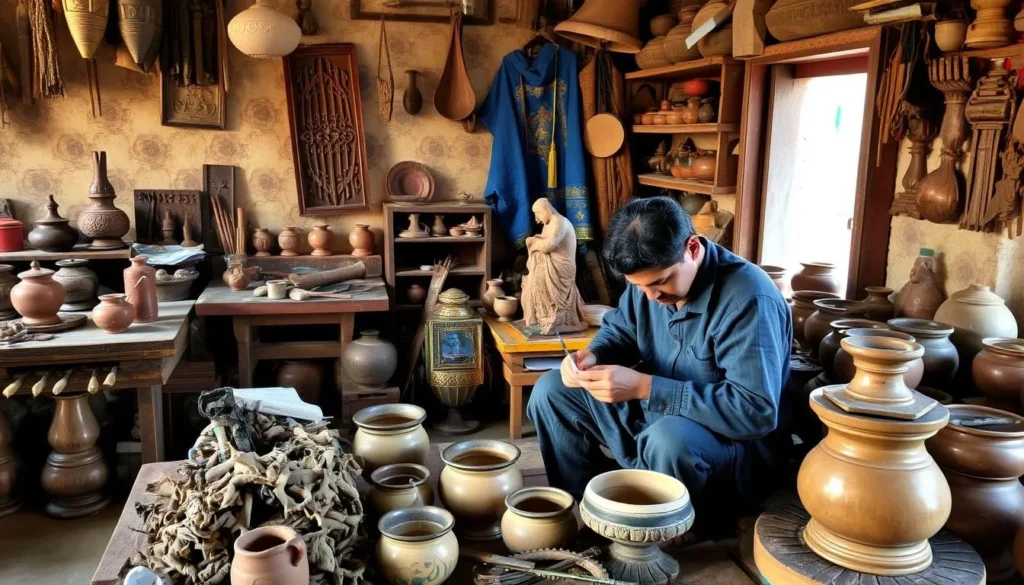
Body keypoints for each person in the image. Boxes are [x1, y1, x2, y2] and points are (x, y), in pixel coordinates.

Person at [527, 196, 792, 527]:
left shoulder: (748, 299)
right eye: (638, 286)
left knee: (668, 439)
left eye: (660, 282)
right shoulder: (648, 282)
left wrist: (645, 387)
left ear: (692, 248)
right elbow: (621, 332)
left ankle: (681, 527)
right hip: (655, 419)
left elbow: (755, 412)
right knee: (552, 390)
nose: (651, 296)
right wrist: (593, 355)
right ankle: (586, 508)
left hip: (730, 447)